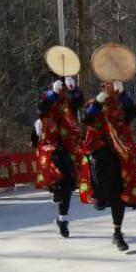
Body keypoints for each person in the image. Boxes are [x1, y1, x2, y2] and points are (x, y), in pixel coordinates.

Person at [79, 80, 136, 251]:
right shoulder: (95, 103)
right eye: (107, 86)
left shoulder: (122, 105)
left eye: (113, 86)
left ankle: (117, 232)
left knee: (118, 195)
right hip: (100, 153)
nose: (111, 89)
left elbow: (133, 111)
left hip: (120, 154)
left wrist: (123, 94)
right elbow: (86, 118)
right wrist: (101, 99)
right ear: (102, 88)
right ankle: (100, 197)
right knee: (102, 189)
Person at [34, 76, 84, 238]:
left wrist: (75, 90)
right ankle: (53, 189)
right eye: (60, 88)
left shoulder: (68, 103)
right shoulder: (47, 98)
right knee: (57, 171)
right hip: (50, 144)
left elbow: (78, 102)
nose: (62, 91)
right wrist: (53, 94)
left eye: (64, 89)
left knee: (68, 188)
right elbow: (41, 110)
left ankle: (62, 219)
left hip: (68, 146)